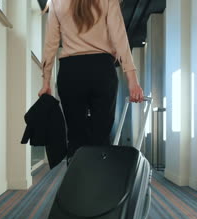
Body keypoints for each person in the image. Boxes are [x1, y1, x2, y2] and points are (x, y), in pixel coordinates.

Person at [38, 0, 144, 162]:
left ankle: (77, 184)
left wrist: (46, 80)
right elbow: (119, 36)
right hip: (102, 70)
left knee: (75, 137)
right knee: (101, 137)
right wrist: (132, 80)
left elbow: (50, 43)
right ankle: (99, 184)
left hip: (71, 72)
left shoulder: (56, 2)